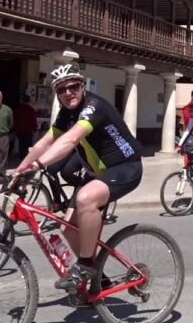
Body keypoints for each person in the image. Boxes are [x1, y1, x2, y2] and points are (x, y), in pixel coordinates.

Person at [11, 64, 142, 293]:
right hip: (98, 173)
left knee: (85, 199)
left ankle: (85, 265)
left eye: (73, 87)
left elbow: (71, 140)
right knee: (68, 228)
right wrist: (18, 172)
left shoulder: (94, 106)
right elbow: (44, 143)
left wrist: (39, 165)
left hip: (125, 167)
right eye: (61, 90)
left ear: (82, 86)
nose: (68, 93)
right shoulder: (67, 113)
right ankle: (100, 279)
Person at [13, 94, 38, 159]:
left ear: (22, 101)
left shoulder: (18, 110)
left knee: (21, 145)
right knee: (28, 146)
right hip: (29, 131)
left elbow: (16, 120)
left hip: (20, 130)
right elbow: (34, 120)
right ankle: (28, 158)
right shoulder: (31, 110)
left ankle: (22, 158)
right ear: (29, 101)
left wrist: (15, 129)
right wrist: (35, 129)